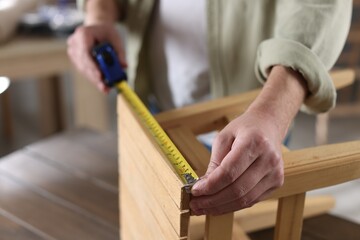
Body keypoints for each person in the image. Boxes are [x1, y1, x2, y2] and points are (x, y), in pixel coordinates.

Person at [67, 0, 352, 216]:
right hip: (153, 99)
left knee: (238, 197)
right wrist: (99, 15)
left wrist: (273, 113)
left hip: (253, 115)